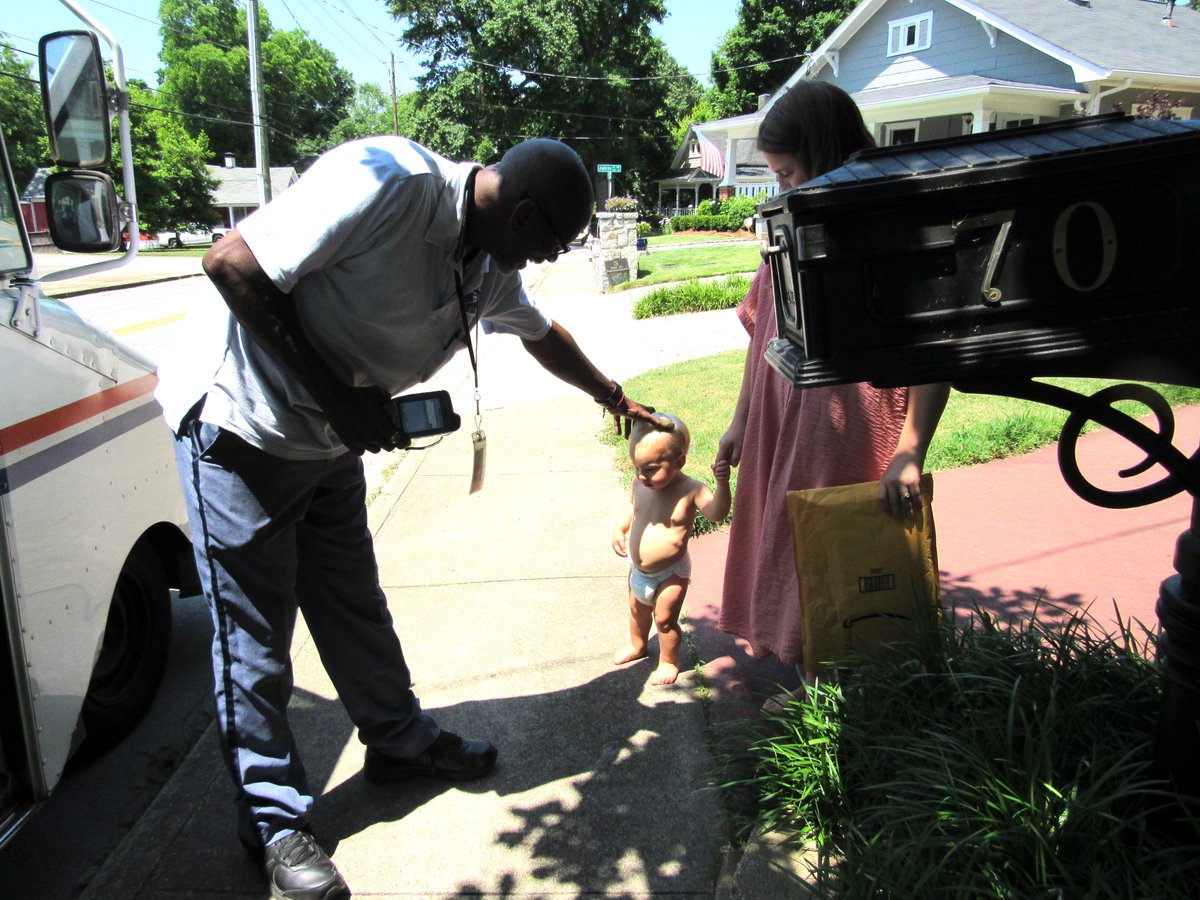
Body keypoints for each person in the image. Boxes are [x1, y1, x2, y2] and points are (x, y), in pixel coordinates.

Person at [155, 135, 667, 900]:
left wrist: (613, 396)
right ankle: (272, 819)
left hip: (328, 440)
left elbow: (540, 336)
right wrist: (338, 398)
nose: (546, 260)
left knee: (354, 606)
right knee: (255, 642)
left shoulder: (487, 261)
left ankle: (398, 743)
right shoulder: (387, 182)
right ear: (520, 212)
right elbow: (231, 262)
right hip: (242, 427)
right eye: (549, 244)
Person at [715, 82, 949, 698]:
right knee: (791, 546)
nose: (784, 188)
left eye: (789, 172)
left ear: (823, 152)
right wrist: (741, 420)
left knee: (840, 551)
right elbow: (761, 334)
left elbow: (933, 348)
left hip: (847, 423)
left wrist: (911, 448)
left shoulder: (887, 230)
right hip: (778, 418)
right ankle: (818, 688)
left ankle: (844, 705)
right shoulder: (787, 230)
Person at [612, 413, 731, 685]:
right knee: (636, 610)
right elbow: (631, 505)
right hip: (637, 569)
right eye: (637, 468)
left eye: (652, 468)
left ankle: (668, 660)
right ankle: (638, 645)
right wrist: (619, 528)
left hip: (671, 573)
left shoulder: (691, 490)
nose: (642, 476)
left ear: (679, 462)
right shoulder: (640, 483)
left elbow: (717, 513)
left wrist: (722, 485)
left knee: (664, 620)